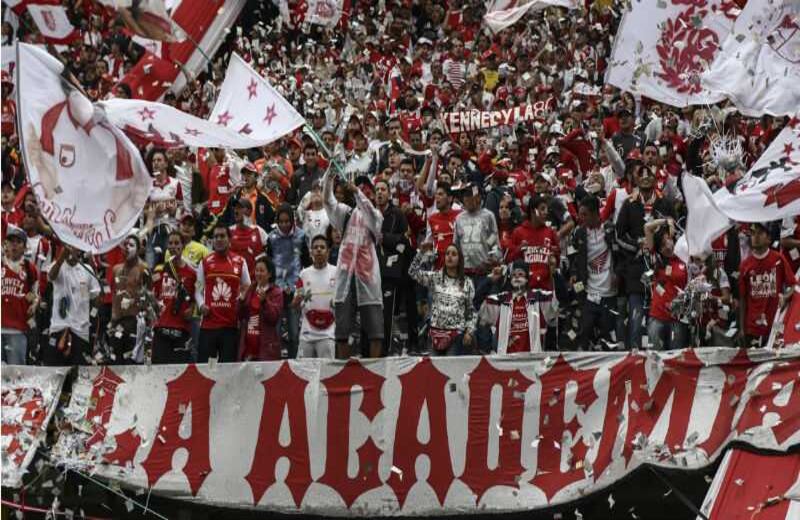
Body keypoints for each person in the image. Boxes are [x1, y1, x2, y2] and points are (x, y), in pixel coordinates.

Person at [322, 171, 384, 359]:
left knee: (376, 333)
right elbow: (327, 201)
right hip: (345, 279)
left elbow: (369, 212)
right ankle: (342, 371)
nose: (362, 191)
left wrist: (357, 192)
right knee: (341, 333)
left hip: (369, 279)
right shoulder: (346, 214)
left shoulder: (376, 216)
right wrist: (329, 177)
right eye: (359, 187)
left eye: (366, 189)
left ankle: (375, 372)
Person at [616, 165, 675, 349]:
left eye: (649, 173)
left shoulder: (665, 203)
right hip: (636, 271)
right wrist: (637, 246)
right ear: (635, 179)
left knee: (661, 318)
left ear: (655, 176)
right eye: (640, 174)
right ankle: (635, 364)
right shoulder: (629, 203)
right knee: (636, 319)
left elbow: (675, 234)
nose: (645, 177)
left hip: (661, 272)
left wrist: (660, 248)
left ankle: (664, 362)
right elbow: (619, 235)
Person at [195, 224, 250, 362]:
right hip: (208, 327)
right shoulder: (204, 262)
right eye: (216, 237)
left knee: (228, 371)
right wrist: (201, 305)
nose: (219, 239)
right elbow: (197, 290)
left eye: (222, 236)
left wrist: (241, 298)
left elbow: (247, 287)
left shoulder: (240, 262)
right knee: (207, 371)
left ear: (229, 239)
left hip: (230, 327)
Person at [409, 242, 475, 356]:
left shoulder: (467, 282)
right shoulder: (435, 277)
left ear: (460, 260)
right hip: (435, 333)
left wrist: (469, 332)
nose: (449, 256)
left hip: (456, 335)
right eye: (447, 253)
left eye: (454, 254)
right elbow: (412, 272)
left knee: (451, 373)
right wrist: (421, 252)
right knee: (433, 373)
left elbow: (471, 311)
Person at [739, 222, 796, 348]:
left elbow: (794, 286)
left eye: (760, 233)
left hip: (774, 327)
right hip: (752, 329)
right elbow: (743, 299)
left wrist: (785, 297)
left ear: (769, 239)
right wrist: (742, 329)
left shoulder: (778, 259)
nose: (756, 237)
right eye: (753, 233)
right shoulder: (745, 265)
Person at [45, 245, 101, 365]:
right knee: (55, 372)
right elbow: (51, 277)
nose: (71, 249)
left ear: (79, 249)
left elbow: (96, 296)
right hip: (58, 328)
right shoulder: (57, 265)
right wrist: (61, 259)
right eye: (68, 246)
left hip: (80, 331)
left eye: (74, 246)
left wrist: (91, 317)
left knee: (78, 376)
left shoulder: (87, 269)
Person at [479, 261, 547, 353]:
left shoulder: (537, 298)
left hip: (532, 359)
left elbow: (559, 301)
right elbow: (477, 303)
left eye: (520, 274)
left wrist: (553, 274)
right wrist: (491, 280)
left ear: (527, 278)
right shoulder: (501, 300)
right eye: (513, 275)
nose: (517, 277)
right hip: (506, 360)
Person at [267, 203, 306, 358]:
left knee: (294, 333)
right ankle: (275, 364)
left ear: (292, 221)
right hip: (276, 291)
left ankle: (293, 363)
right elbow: (269, 264)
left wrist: (300, 288)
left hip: (295, 290)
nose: (284, 225)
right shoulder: (271, 237)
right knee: (275, 332)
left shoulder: (301, 236)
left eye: (287, 221)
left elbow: (306, 262)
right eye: (281, 222)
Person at [152, 231, 197, 364]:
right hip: (162, 326)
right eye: (170, 243)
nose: (173, 246)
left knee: (179, 372)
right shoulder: (159, 270)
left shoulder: (192, 273)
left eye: (177, 243)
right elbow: (153, 295)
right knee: (158, 371)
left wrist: (192, 309)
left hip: (181, 329)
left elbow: (197, 297)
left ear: (183, 246)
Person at [643, 219, 688, 350]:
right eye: (662, 245)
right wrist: (665, 221)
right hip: (657, 317)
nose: (666, 247)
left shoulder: (684, 258)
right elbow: (647, 227)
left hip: (677, 319)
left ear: (672, 239)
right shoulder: (657, 259)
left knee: (674, 358)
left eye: (667, 240)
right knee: (654, 358)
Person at [293, 235, 337, 359]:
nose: (318, 250)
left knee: (327, 375)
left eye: (322, 247)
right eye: (315, 247)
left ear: (328, 251)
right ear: (311, 251)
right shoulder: (303, 274)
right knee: (302, 375)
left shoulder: (336, 272)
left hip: (328, 334)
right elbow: (295, 306)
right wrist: (296, 301)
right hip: (306, 334)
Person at [1, 226, 38, 364]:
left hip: (17, 330)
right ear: (6, 244)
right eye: (11, 241)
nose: (14, 245)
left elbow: (36, 295)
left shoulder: (29, 268)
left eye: (18, 241)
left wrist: (34, 305)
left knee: (16, 376)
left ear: (24, 247)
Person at [238, 256, 283, 361]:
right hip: (248, 347)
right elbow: (240, 316)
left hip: (266, 349)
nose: (258, 273)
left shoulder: (276, 292)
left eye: (262, 271)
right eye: (257, 270)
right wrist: (241, 300)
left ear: (270, 274)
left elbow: (274, 318)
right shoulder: (250, 289)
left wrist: (264, 301)